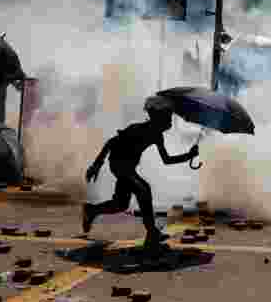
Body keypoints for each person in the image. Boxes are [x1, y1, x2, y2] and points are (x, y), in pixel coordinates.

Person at [83, 97, 199, 248]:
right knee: (143, 189)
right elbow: (111, 142)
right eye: (167, 116)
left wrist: (189, 155)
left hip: (129, 168)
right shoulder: (138, 129)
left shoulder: (157, 135)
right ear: (157, 117)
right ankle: (152, 233)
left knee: (121, 204)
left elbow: (167, 159)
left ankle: (91, 210)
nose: (170, 120)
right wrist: (97, 164)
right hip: (118, 164)